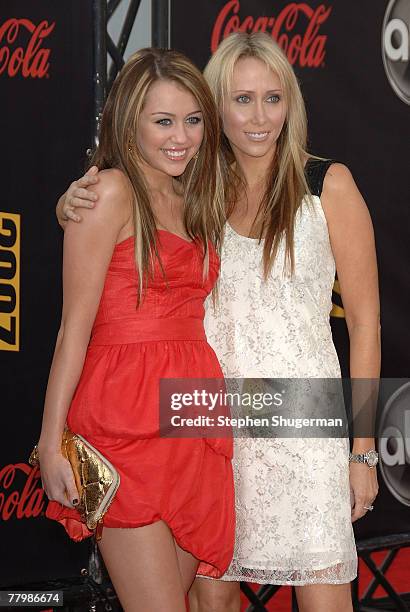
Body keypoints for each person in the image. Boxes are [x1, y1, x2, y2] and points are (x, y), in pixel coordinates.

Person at [57, 33, 380, 612]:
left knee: (325, 595)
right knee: (213, 597)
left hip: (305, 419)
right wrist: (72, 202)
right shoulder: (199, 189)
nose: (260, 117)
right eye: (241, 99)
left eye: (273, 98)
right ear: (216, 108)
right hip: (209, 418)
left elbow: (366, 323)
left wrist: (361, 453)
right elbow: (125, 202)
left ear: (292, 103)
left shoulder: (329, 185)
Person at [38, 47, 235, 612]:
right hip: (125, 422)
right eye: (163, 121)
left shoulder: (193, 195)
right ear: (130, 122)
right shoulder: (109, 192)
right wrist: (51, 444)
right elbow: (71, 330)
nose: (181, 137)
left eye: (193, 120)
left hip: (192, 416)